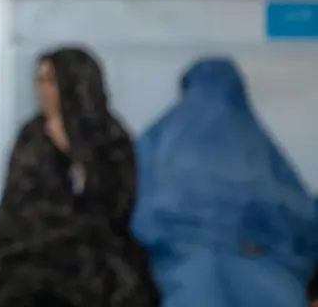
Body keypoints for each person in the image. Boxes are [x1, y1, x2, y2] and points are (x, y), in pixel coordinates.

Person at [0, 47, 159, 307]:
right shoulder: (32, 136)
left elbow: (117, 206)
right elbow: (18, 206)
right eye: (39, 81)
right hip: (30, 248)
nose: (43, 90)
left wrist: (76, 153)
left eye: (51, 81)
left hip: (95, 249)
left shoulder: (110, 137)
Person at [132, 57, 317, 306]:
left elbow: (130, 215)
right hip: (265, 277)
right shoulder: (258, 147)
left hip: (185, 277)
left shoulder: (160, 139)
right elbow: (304, 223)